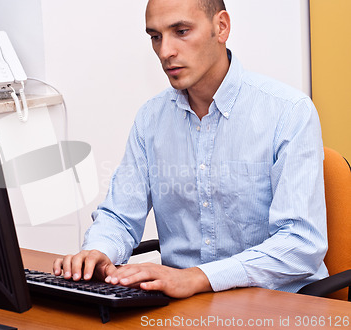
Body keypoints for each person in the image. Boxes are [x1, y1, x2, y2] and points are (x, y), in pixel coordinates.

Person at [53, 0, 328, 299]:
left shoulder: (289, 112)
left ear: (221, 27)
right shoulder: (151, 119)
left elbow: (301, 244)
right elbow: (120, 215)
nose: (164, 51)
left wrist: (199, 277)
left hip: (274, 303)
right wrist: (98, 251)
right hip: (183, 305)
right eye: (155, 36)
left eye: (181, 31)